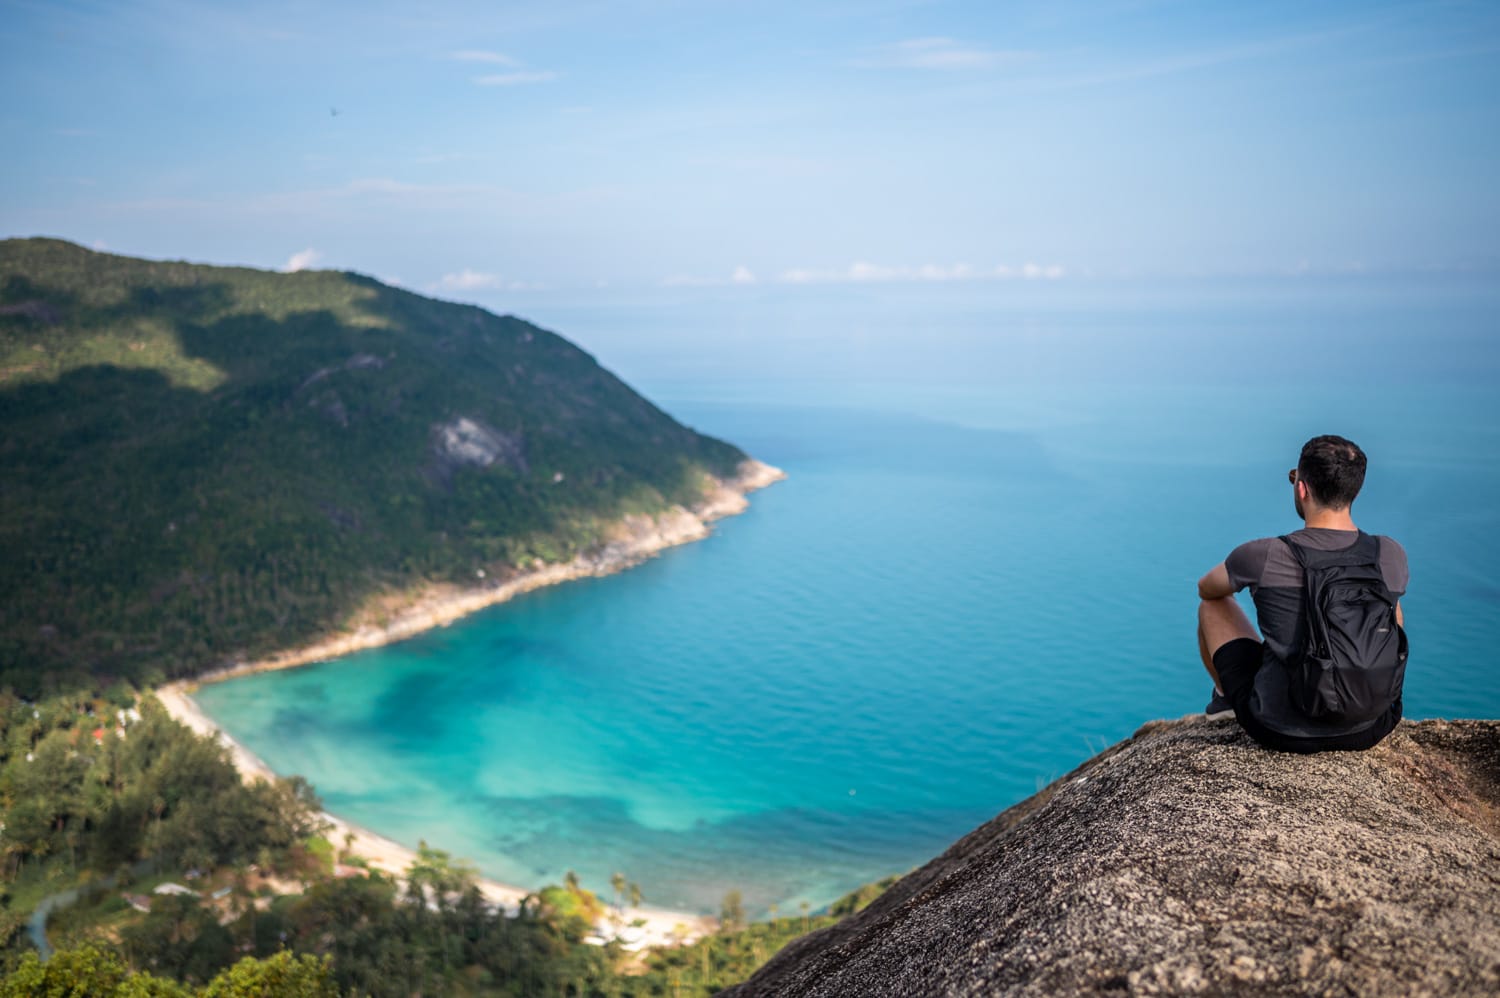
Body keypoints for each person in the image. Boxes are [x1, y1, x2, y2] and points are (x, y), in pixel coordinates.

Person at [1196, 435, 1409, 753]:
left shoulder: (1265, 554)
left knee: (1211, 606)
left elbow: (1206, 587)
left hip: (1281, 729)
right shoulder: (1389, 553)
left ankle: (1226, 699)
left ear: (1301, 488)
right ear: (1356, 489)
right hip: (1373, 724)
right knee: (1391, 605)